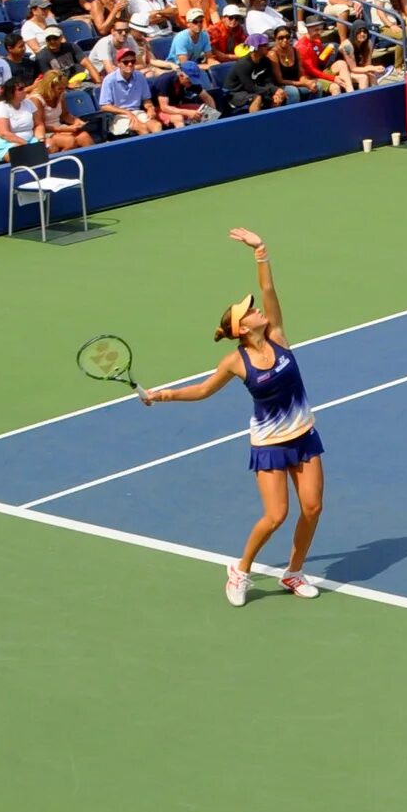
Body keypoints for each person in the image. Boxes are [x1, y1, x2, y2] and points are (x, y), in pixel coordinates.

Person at [138, 229, 325, 605]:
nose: (256, 309)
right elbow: (204, 390)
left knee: (313, 507)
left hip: (303, 435)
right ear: (242, 328)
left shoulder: (278, 336)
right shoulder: (235, 362)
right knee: (275, 516)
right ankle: (240, 571)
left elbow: (269, 291)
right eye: (249, 311)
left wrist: (260, 251)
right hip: (270, 445)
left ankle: (294, 572)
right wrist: (163, 395)